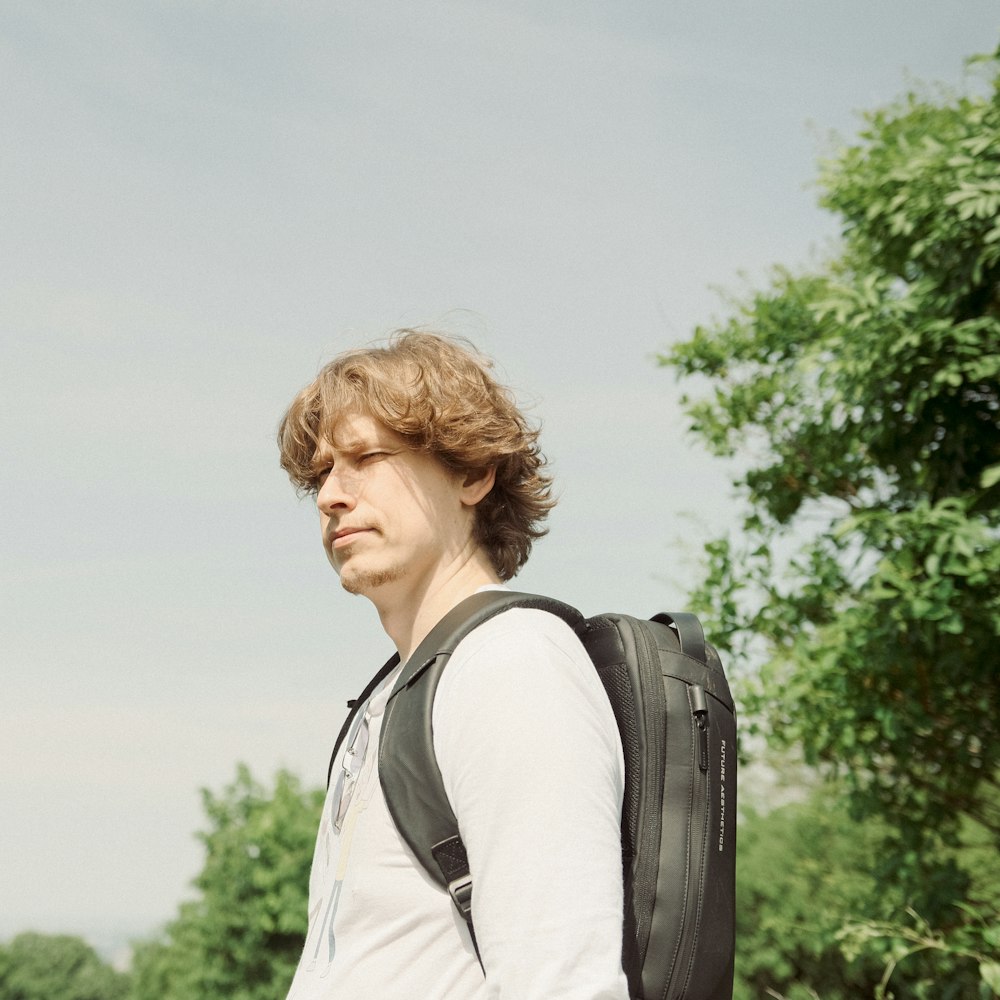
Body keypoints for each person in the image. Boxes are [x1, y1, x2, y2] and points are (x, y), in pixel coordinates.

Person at [278, 330, 628, 1000]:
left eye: (365, 458)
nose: (329, 495)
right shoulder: (400, 689)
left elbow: (562, 983)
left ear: (472, 473)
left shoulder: (511, 662)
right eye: (322, 473)